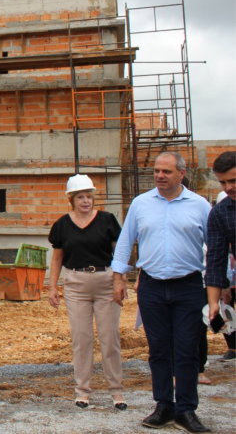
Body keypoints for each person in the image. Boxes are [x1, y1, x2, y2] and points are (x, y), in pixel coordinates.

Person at [112, 151, 212, 433]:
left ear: (181, 173)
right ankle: (164, 405)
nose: (159, 176)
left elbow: (214, 246)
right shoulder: (141, 204)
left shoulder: (200, 205)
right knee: (158, 350)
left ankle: (186, 410)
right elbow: (125, 241)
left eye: (166, 171)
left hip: (189, 286)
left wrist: (222, 284)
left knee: (187, 349)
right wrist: (118, 278)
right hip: (152, 286)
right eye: (156, 171)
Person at [47, 174, 126, 410]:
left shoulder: (107, 220)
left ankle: (117, 391)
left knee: (109, 338)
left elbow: (120, 253)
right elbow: (57, 257)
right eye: (80, 197)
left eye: (89, 196)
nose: (86, 201)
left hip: (106, 281)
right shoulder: (62, 224)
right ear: (71, 199)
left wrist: (120, 281)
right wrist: (52, 287)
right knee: (81, 339)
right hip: (76, 284)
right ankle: (82, 391)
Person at [206, 151, 235, 361]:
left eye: (233, 181)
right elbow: (216, 258)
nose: (228, 188)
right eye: (223, 182)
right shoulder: (220, 213)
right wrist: (214, 302)